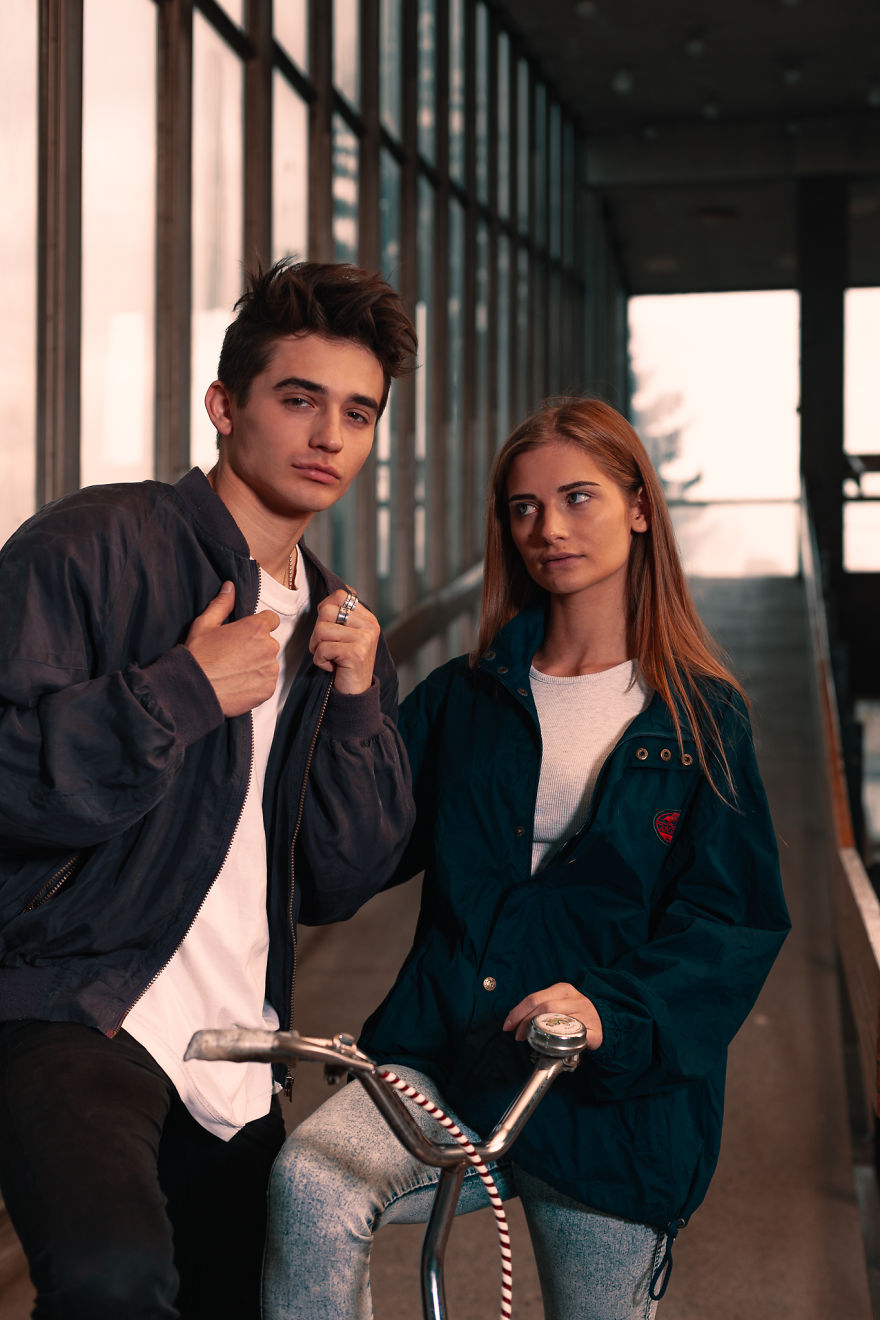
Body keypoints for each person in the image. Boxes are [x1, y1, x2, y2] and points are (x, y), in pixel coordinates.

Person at [262, 396, 791, 1320]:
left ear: (638, 507)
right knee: (311, 1182)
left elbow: (730, 925)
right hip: (447, 1057)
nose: (548, 528)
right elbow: (352, 854)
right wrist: (353, 700)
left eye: (578, 498)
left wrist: (607, 1012)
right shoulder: (463, 699)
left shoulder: (703, 720)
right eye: (524, 508)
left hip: (611, 1106)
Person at [0, 258, 417, 1320]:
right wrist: (180, 692)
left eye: (357, 413)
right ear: (224, 406)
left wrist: (357, 707)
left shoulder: (339, 625)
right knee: (112, 1279)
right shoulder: (95, 544)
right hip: (80, 1009)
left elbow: (341, 879)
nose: (329, 436)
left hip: (241, 1054)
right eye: (299, 399)